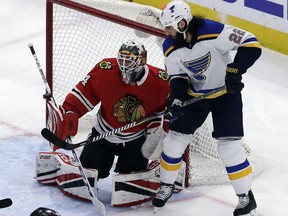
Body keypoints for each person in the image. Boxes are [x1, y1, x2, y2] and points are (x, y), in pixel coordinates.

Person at [152, 1, 261, 215]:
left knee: (229, 148)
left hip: (226, 95)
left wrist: (234, 71)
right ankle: (166, 186)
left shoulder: (215, 31)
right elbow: (178, 76)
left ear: (181, 23)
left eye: (169, 27)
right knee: (174, 140)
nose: (166, 32)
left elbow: (251, 43)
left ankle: (246, 198)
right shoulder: (169, 45)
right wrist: (176, 96)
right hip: (196, 97)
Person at [47, 39, 169, 181]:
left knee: (130, 180)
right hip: (104, 132)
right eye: (121, 60)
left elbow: (167, 110)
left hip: (136, 138)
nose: (123, 66)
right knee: (88, 172)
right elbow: (85, 92)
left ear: (142, 60)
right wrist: (69, 111)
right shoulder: (105, 70)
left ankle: (162, 172)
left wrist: (159, 129)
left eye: (129, 61)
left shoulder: (160, 82)